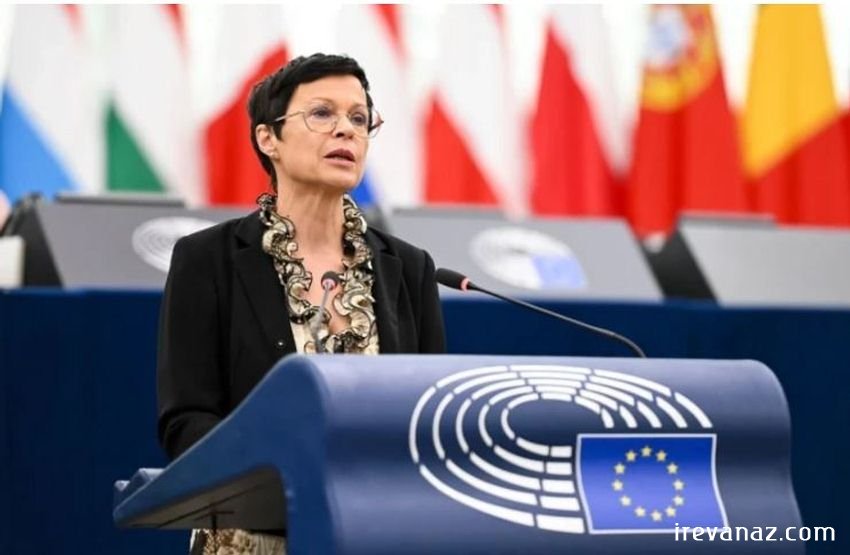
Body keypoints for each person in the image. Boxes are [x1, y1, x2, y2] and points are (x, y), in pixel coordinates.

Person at [156, 53, 447, 555]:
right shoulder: (207, 259)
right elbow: (186, 419)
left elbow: (430, 418)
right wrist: (284, 472)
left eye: (359, 118)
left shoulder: (409, 267)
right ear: (268, 138)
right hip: (251, 538)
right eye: (322, 113)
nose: (346, 130)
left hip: (376, 536)